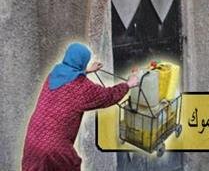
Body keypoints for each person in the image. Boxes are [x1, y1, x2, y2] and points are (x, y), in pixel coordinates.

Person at [22, 43, 139, 171]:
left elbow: (69, 79)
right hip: (54, 146)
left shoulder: (54, 74)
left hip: (33, 139)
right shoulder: (82, 87)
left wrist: (86, 71)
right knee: (71, 165)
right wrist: (128, 84)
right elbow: (108, 96)